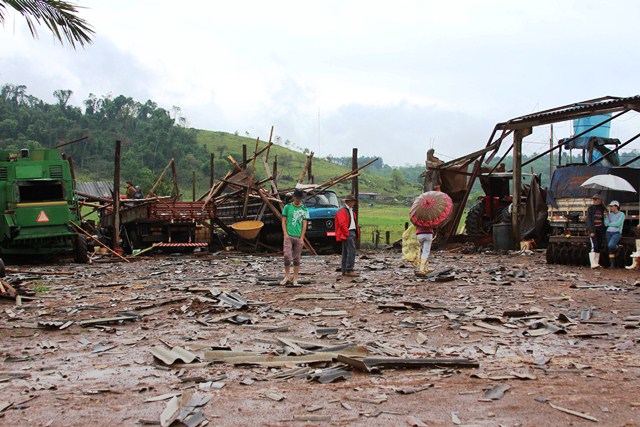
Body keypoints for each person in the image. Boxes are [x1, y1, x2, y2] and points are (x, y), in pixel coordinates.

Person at [280, 188, 309, 286]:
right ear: (293, 197)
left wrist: (302, 237)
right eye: (296, 197)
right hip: (289, 235)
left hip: (298, 236)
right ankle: (287, 276)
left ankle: (295, 278)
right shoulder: (287, 207)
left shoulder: (304, 209)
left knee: (297, 258)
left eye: (299, 198)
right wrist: (285, 234)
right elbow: (283, 220)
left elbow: (305, 224)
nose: (297, 199)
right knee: (287, 256)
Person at [335, 194, 360, 277]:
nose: (354, 203)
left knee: (346, 251)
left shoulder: (350, 211)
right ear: (349, 202)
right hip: (348, 232)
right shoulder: (342, 211)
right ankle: (349, 269)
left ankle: (345, 269)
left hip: (350, 232)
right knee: (351, 251)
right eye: (353, 201)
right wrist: (347, 233)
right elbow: (342, 224)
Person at [586, 194, 607, 269]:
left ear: (600, 200)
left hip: (600, 229)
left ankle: (596, 263)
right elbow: (588, 220)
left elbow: (605, 219)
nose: (594, 201)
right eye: (593, 199)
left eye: (596, 199)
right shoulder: (591, 208)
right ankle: (593, 263)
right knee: (593, 245)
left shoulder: (603, 209)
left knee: (598, 246)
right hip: (593, 229)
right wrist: (591, 230)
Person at [604, 200, 625, 268]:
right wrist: (606, 217)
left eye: (611, 206)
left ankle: (619, 247)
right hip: (608, 232)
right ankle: (612, 264)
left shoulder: (621, 214)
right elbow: (606, 224)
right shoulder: (610, 215)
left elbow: (618, 224)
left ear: (616, 206)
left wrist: (610, 224)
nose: (610, 208)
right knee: (610, 249)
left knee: (611, 245)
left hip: (617, 232)